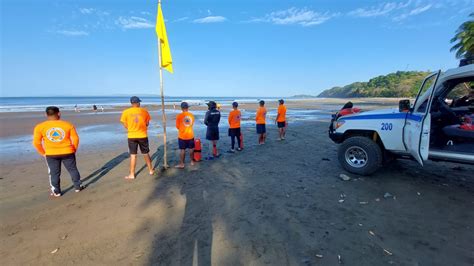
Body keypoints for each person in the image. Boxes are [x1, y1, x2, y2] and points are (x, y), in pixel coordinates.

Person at [33, 106, 84, 197]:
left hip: (51, 154)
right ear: (59, 113)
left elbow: (36, 142)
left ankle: (56, 191)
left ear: (46, 114)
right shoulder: (68, 125)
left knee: (54, 172)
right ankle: (78, 187)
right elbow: (75, 139)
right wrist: (74, 149)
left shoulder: (40, 127)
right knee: (72, 169)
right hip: (68, 151)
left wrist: (43, 153)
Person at [120, 96, 154, 180]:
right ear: (138, 103)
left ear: (131, 103)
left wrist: (132, 128)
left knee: (133, 155)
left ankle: (132, 174)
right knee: (146, 153)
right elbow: (147, 124)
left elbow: (125, 125)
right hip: (142, 135)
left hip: (132, 136)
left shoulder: (126, 112)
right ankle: (150, 170)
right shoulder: (144, 111)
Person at [175, 102, 195, 168]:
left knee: (182, 150)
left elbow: (177, 126)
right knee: (191, 148)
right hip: (190, 135)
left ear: (181, 108)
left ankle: (182, 164)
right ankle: (192, 161)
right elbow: (191, 124)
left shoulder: (179, 116)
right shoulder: (191, 115)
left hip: (182, 136)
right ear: (187, 108)